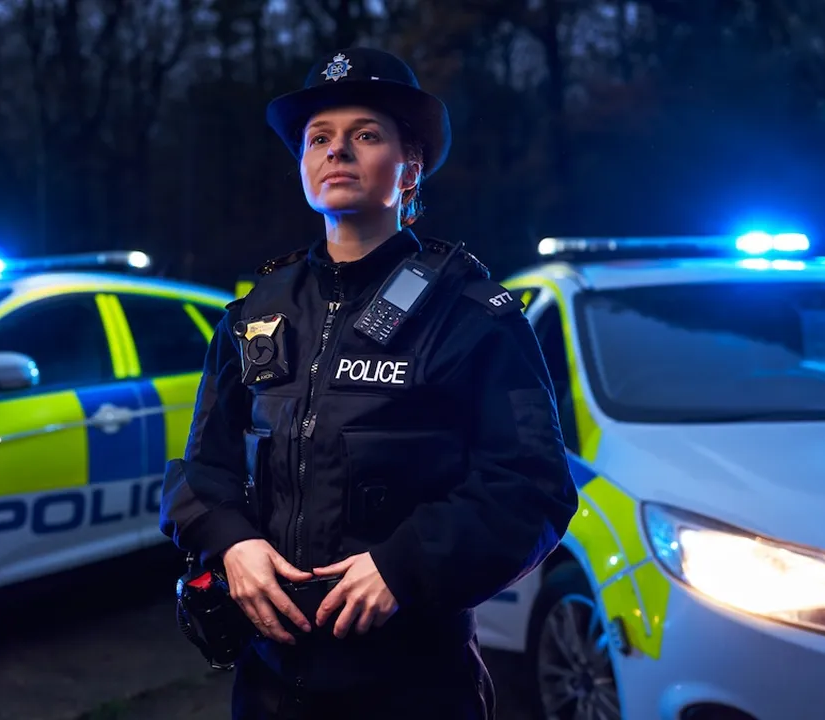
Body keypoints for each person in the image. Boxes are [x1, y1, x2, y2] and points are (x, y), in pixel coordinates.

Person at [160, 47, 578, 720]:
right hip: (269, 685)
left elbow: (533, 487)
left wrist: (404, 566)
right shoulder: (255, 312)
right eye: (319, 138)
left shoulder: (469, 313)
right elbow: (198, 471)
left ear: (409, 167)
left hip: (415, 685)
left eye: (366, 134)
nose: (338, 151)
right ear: (302, 165)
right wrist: (231, 542)